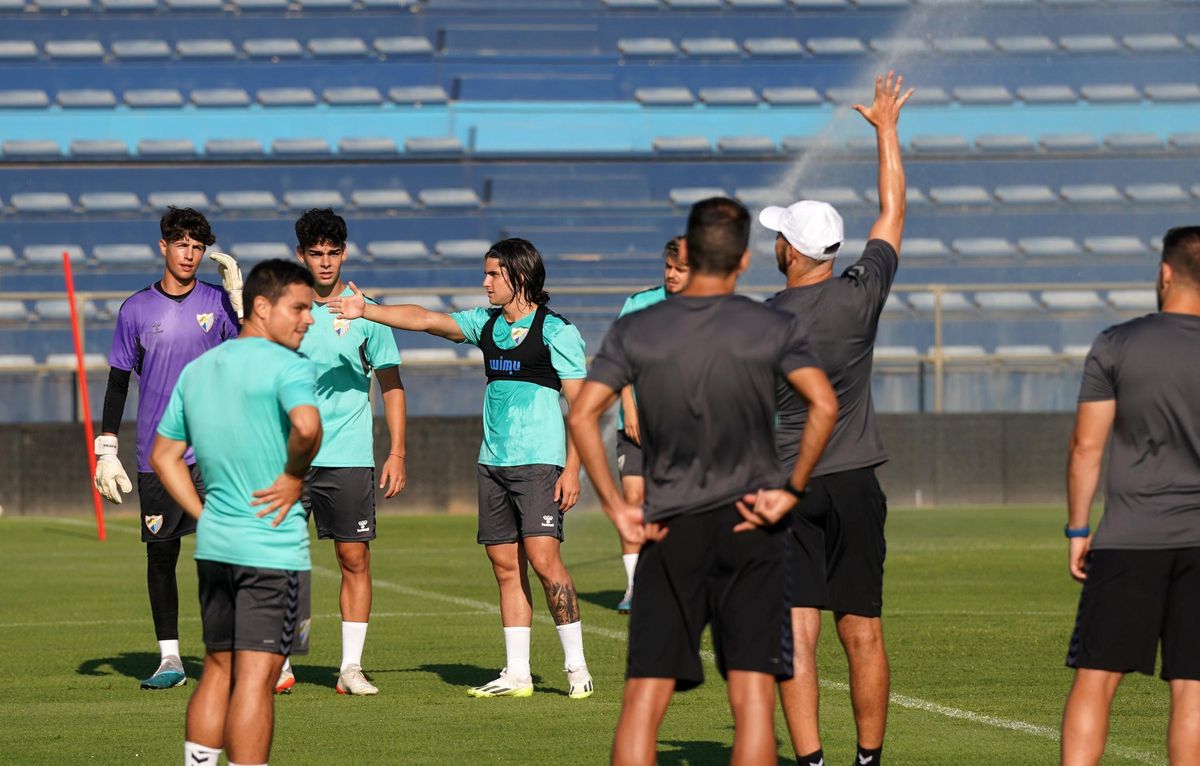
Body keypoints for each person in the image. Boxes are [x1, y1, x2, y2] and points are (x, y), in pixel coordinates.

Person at [568, 197, 839, 766]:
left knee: (644, 697)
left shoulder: (639, 328)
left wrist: (618, 508)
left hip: (670, 529)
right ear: (744, 261)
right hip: (751, 530)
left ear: (686, 253)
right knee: (752, 699)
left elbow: (581, 414)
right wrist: (790, 489)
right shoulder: (772, 323)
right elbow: (823, 404)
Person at [329, 238, 594, 699]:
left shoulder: (557, 332)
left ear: (520, 276)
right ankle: (518, 674)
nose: (485, 282)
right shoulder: (484, 324)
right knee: (504, 565)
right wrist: (367, 310)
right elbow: (426, 320)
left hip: (538, 464)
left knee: (545, 560)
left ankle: (577, 671)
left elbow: (584, 410)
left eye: (493, 274)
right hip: (492, 462)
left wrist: (572, 470)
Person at [760, 71, 912, 766]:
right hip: (856, 481)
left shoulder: (762, 321)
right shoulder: (861, 297)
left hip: (789, 485)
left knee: (796, 636)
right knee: (865, 632)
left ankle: (812, 762)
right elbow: (893, 212)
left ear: (791, 251)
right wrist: (887, 133)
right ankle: (869, 761)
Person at [150, 259, 322, 766]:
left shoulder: (200, 369)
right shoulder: (290, 366)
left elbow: (163, 455)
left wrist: (203, 515)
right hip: (273, 549)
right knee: (257, 682)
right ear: (262, 308)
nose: (308, 320)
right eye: (299, 308)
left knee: (217, 670)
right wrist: (294, 476)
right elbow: (308, 428)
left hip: (217, 547)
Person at [1060, 226, 1200, 766]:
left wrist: (1077, 529)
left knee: (1096, 680)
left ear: (1165, 274)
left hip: (1129, 540)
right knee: (1192, 688)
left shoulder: (1117, 343)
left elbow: (1084, 449)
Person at [94, 207, 242, 690]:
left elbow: (253, 355)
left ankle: (229, 653)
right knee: (162, 554)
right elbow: (118, 382)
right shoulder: (135, 309)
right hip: (157, 455)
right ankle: (171, 660)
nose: (190, 254)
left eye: (198, 247)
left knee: (225, 553)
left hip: (213, 451)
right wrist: (106, 447)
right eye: (182, 244)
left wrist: (240, 305)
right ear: (163, 246)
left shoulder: (219, 302)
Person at [272, 209, 407, 696]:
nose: (325, 262)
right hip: (289, 457)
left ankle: (350, 668)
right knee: (284, 561)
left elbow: (391, 384)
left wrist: (397, 453)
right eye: (315, 253)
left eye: (333, 253)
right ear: (301, 255)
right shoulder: (285, 311)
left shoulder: (368, 313)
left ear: (344, 253)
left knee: (354, 559)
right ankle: (282, 662)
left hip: (349, 457)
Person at [612, 235, 688, 614]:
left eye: (681, 269)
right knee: (633, 502)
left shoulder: (708, 308)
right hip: (636, 429)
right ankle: (633, 587)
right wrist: (630, 409)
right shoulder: (640, 304)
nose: (671, 275)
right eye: (668, 267)